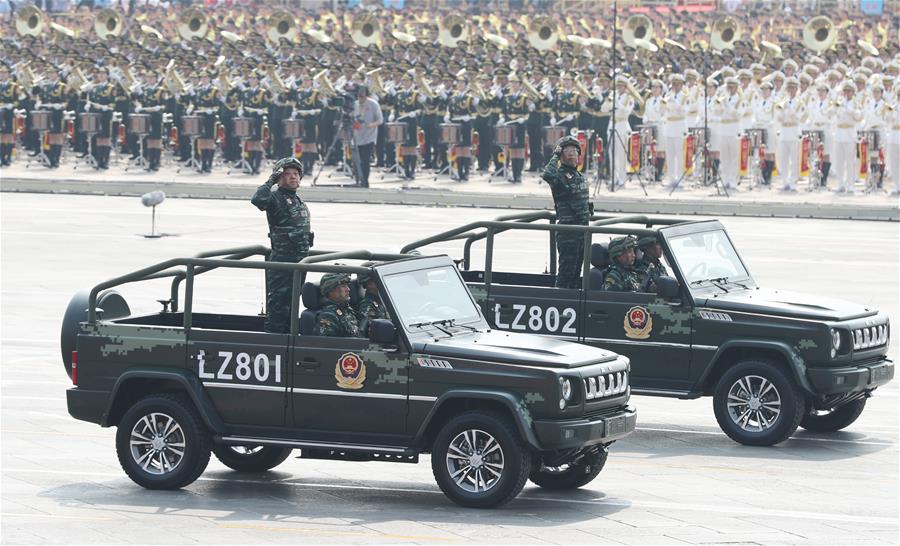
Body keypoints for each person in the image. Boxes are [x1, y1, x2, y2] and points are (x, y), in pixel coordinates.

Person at [251, 157, 313, 334]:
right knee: (279, 309)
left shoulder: (298, 200)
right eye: (287, 174)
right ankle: (274, 344)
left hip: (299, 263)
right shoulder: (275, 198)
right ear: (279, 178)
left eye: (296, 174)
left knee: (292, 306)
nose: (293, 177)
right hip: (283, 265)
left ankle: (288, 338)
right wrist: (271, 180)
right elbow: (257, 199)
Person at [542, 135, 591, 289]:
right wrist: (555, 154)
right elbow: (547, 174)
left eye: (574, 150)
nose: (571, 153)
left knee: (576, 274)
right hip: (568, 233)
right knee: (566, 275)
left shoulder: (579, 175)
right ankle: (560, 302)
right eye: (566, 150)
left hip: (582, 232)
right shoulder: (560, 176)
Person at [351, 84, 383, 188]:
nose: (361, 99)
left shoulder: (373, 104)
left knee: (365, 160)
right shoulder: (355, 104)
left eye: (363, 96)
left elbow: (380, 120)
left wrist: (371, 125)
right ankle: (357, 179)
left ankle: (365, 180)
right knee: (356, 160)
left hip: (369, 137)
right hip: (357, 137)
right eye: (359, 96)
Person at [316, 273, 361, 337]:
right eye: (343, 286)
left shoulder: (346, 309)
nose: (348, 289)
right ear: (331, 291)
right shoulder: (328, 315)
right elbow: (326, 344)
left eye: (347, 285)